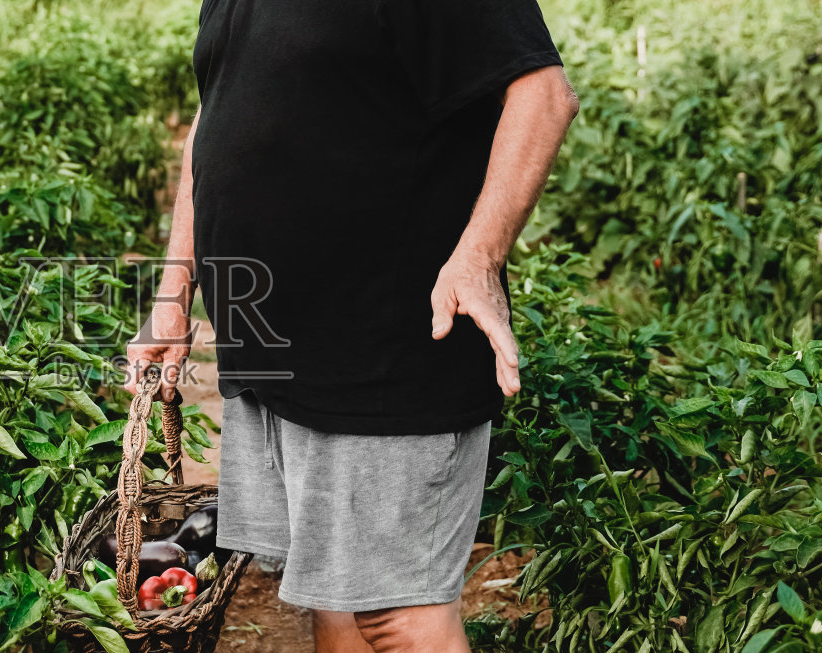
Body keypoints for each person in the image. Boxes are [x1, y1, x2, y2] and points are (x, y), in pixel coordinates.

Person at [123, 0, 578, 651]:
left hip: (387, 345)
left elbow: (543, 94)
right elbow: (215, 115)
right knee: (336, 597)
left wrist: (479, 255)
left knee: (398, 614)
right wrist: (174, 292)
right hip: (278, 349)